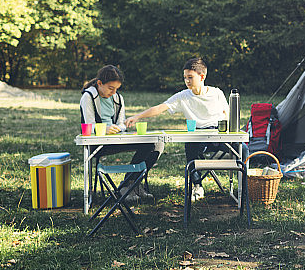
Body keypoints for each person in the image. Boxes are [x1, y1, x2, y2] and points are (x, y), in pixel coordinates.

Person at [124, 57, 247, 202]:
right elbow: (160, 108)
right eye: (185, 78)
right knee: (190, 145)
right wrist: (138, 116)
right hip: (198, 137)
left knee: (243, 149)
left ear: (202, 76)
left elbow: (228, 115)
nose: (187, 81)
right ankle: (197, 185)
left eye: (190, 77)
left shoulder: (216, 93)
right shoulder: (183, 96)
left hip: (219, 135)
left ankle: (243, 189)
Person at [79, 65, 163, 203]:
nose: (114, 92)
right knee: (152, 144)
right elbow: (89, 124)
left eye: (116, 89)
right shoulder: (88, 97)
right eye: (111, 88)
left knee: (156, 144)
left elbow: (121, 123)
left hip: (116, 139)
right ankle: (128, 187)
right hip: (97, 143)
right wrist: (104, 129)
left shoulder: (118, 98)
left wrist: (120, 127)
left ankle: (131, 184)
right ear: (99, 83)